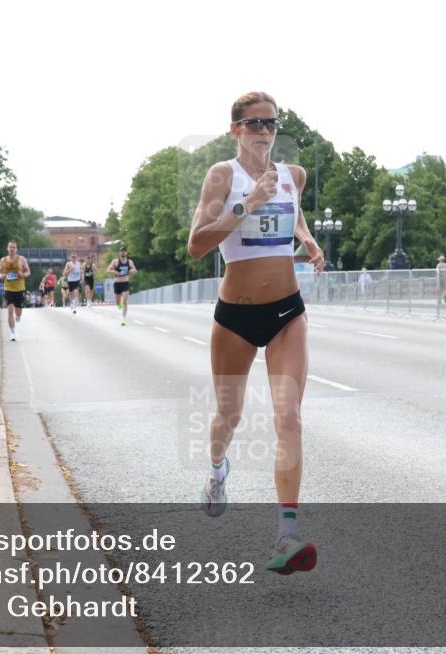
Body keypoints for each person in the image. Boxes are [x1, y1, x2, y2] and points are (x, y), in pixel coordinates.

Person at [187, 91, 324, 575]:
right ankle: (217, 473)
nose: (265, 131)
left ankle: (286, 535)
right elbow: (196, 245)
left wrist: (306, 238)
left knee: (290, 418)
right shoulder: (223, 176)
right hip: (236, 317)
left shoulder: (294, 176)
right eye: (254, 124)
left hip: (288, 312)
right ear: (235, 130)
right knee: (230, 415)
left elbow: (296, 212)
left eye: (271, 123)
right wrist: (246, 205)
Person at [0, 240, 30, 341]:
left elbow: (28, 271)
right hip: (8, 288)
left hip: (20, 288)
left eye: (14, 247)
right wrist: (2, 276)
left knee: (18, 312)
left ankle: (18, 316)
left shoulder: (21, 259)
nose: (12, 249)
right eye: (10, 247)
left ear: (16, 249)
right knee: (10, 311)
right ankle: (12, 332)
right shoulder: (3, 260)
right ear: (7, 249)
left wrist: (23, 275)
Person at [106, 246, 137, 325]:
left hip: (125, 282)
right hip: (117, 283)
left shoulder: (129, 262)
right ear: (119, 253)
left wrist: (131, 271)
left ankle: (123, 319)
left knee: (125, 301)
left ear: (126, 253)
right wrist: (116, 272)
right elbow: (108, 270)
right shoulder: (115, 261)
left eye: (124, 251)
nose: (123, 252)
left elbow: (135, 271)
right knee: (118, 302)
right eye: (121, 251)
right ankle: (119, 305)